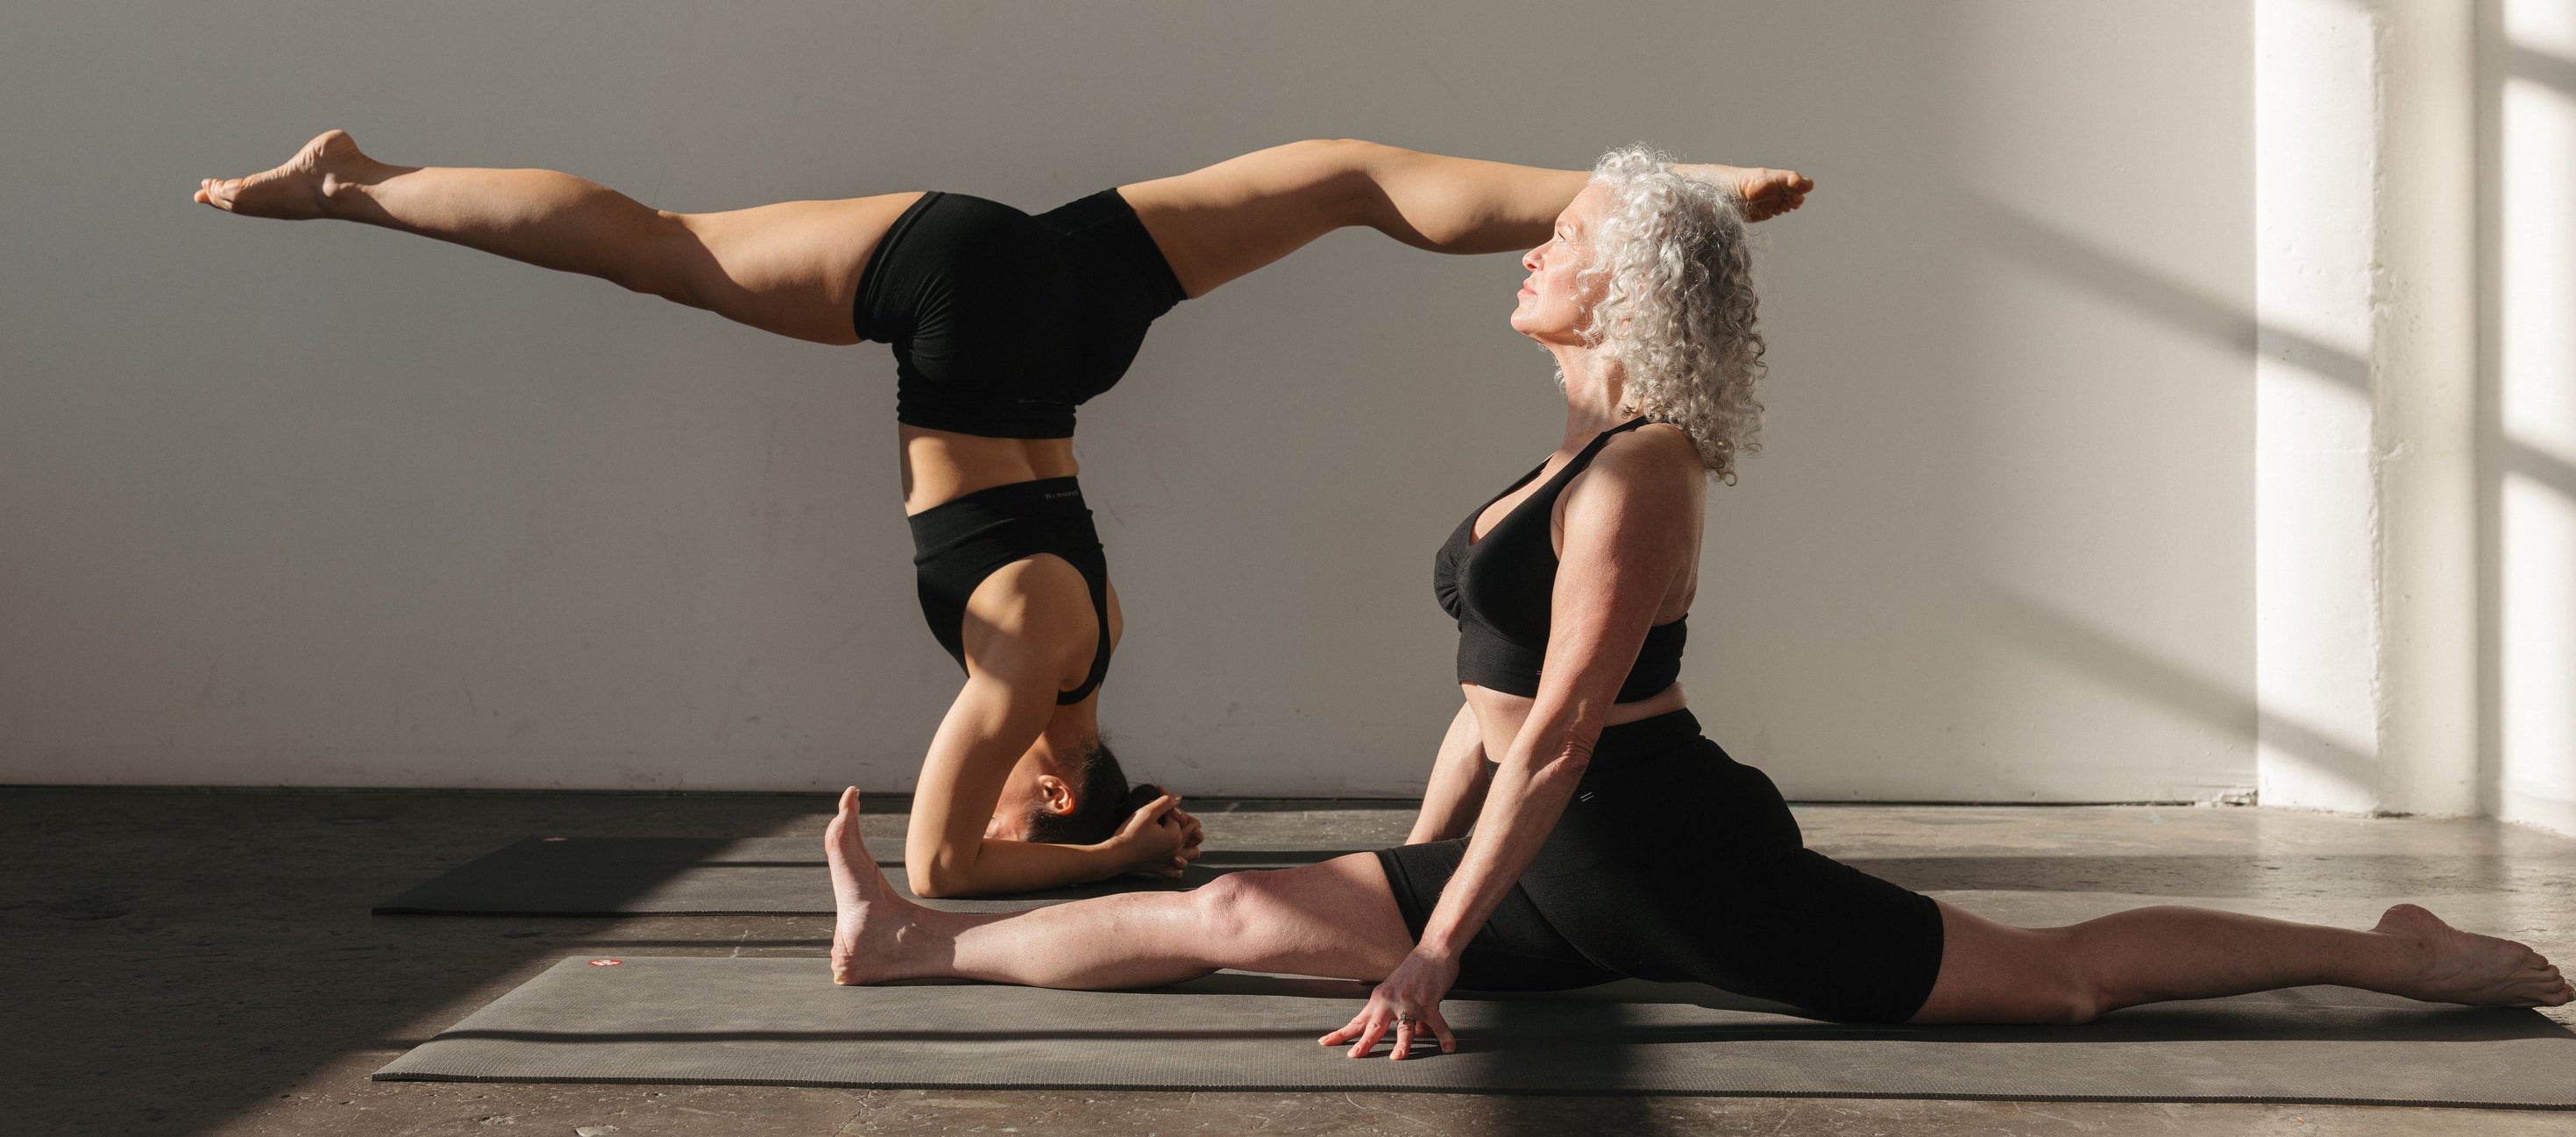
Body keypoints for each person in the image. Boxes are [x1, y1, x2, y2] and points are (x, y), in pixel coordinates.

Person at [816, 145, 2575, 1057]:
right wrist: (1415, 869)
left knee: (2053, 990)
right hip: (1545, 861)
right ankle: (907, 937)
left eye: (1565, 239)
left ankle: (2388, 951)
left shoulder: (1644, 470)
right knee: (1222, 912)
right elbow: (1489, 696)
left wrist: (1430, 944)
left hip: (1666, 859)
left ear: (1630, 292)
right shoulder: (1554, 462)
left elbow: (1565, 728)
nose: (1531, 247)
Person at [194, 135, 1813, 898]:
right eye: (1039, 794)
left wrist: (1114, 834)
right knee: (659, 244)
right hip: (962, 302)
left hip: (1059, 309)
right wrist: (1103, 852)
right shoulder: (1035, 651)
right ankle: (352, 187)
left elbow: (978, 835)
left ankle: (1668, 200)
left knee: (1343, 183)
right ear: (1054, 772)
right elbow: (945, 868)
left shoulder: (1078, 643)